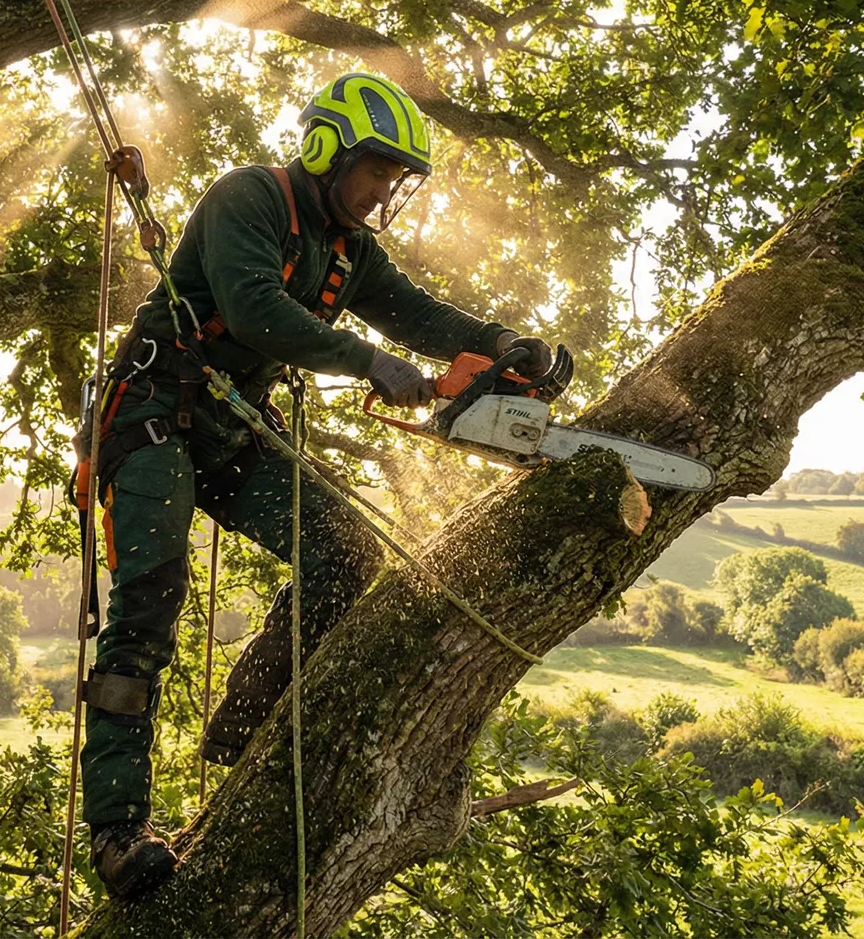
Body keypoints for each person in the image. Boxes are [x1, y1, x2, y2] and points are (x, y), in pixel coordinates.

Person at [78, 72, 553, 899]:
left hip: (228, 425)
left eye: (394, 178)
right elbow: (255, 307)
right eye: (375, 171)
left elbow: (415, 312)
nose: (381, 191)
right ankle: (118, 833)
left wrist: (504, 340)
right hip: (153, 412)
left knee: (342, 551)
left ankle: (246, 718)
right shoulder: (250, 200)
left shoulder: (350, 251)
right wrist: (365, 360)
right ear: (328, 147)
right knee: (149, 600)